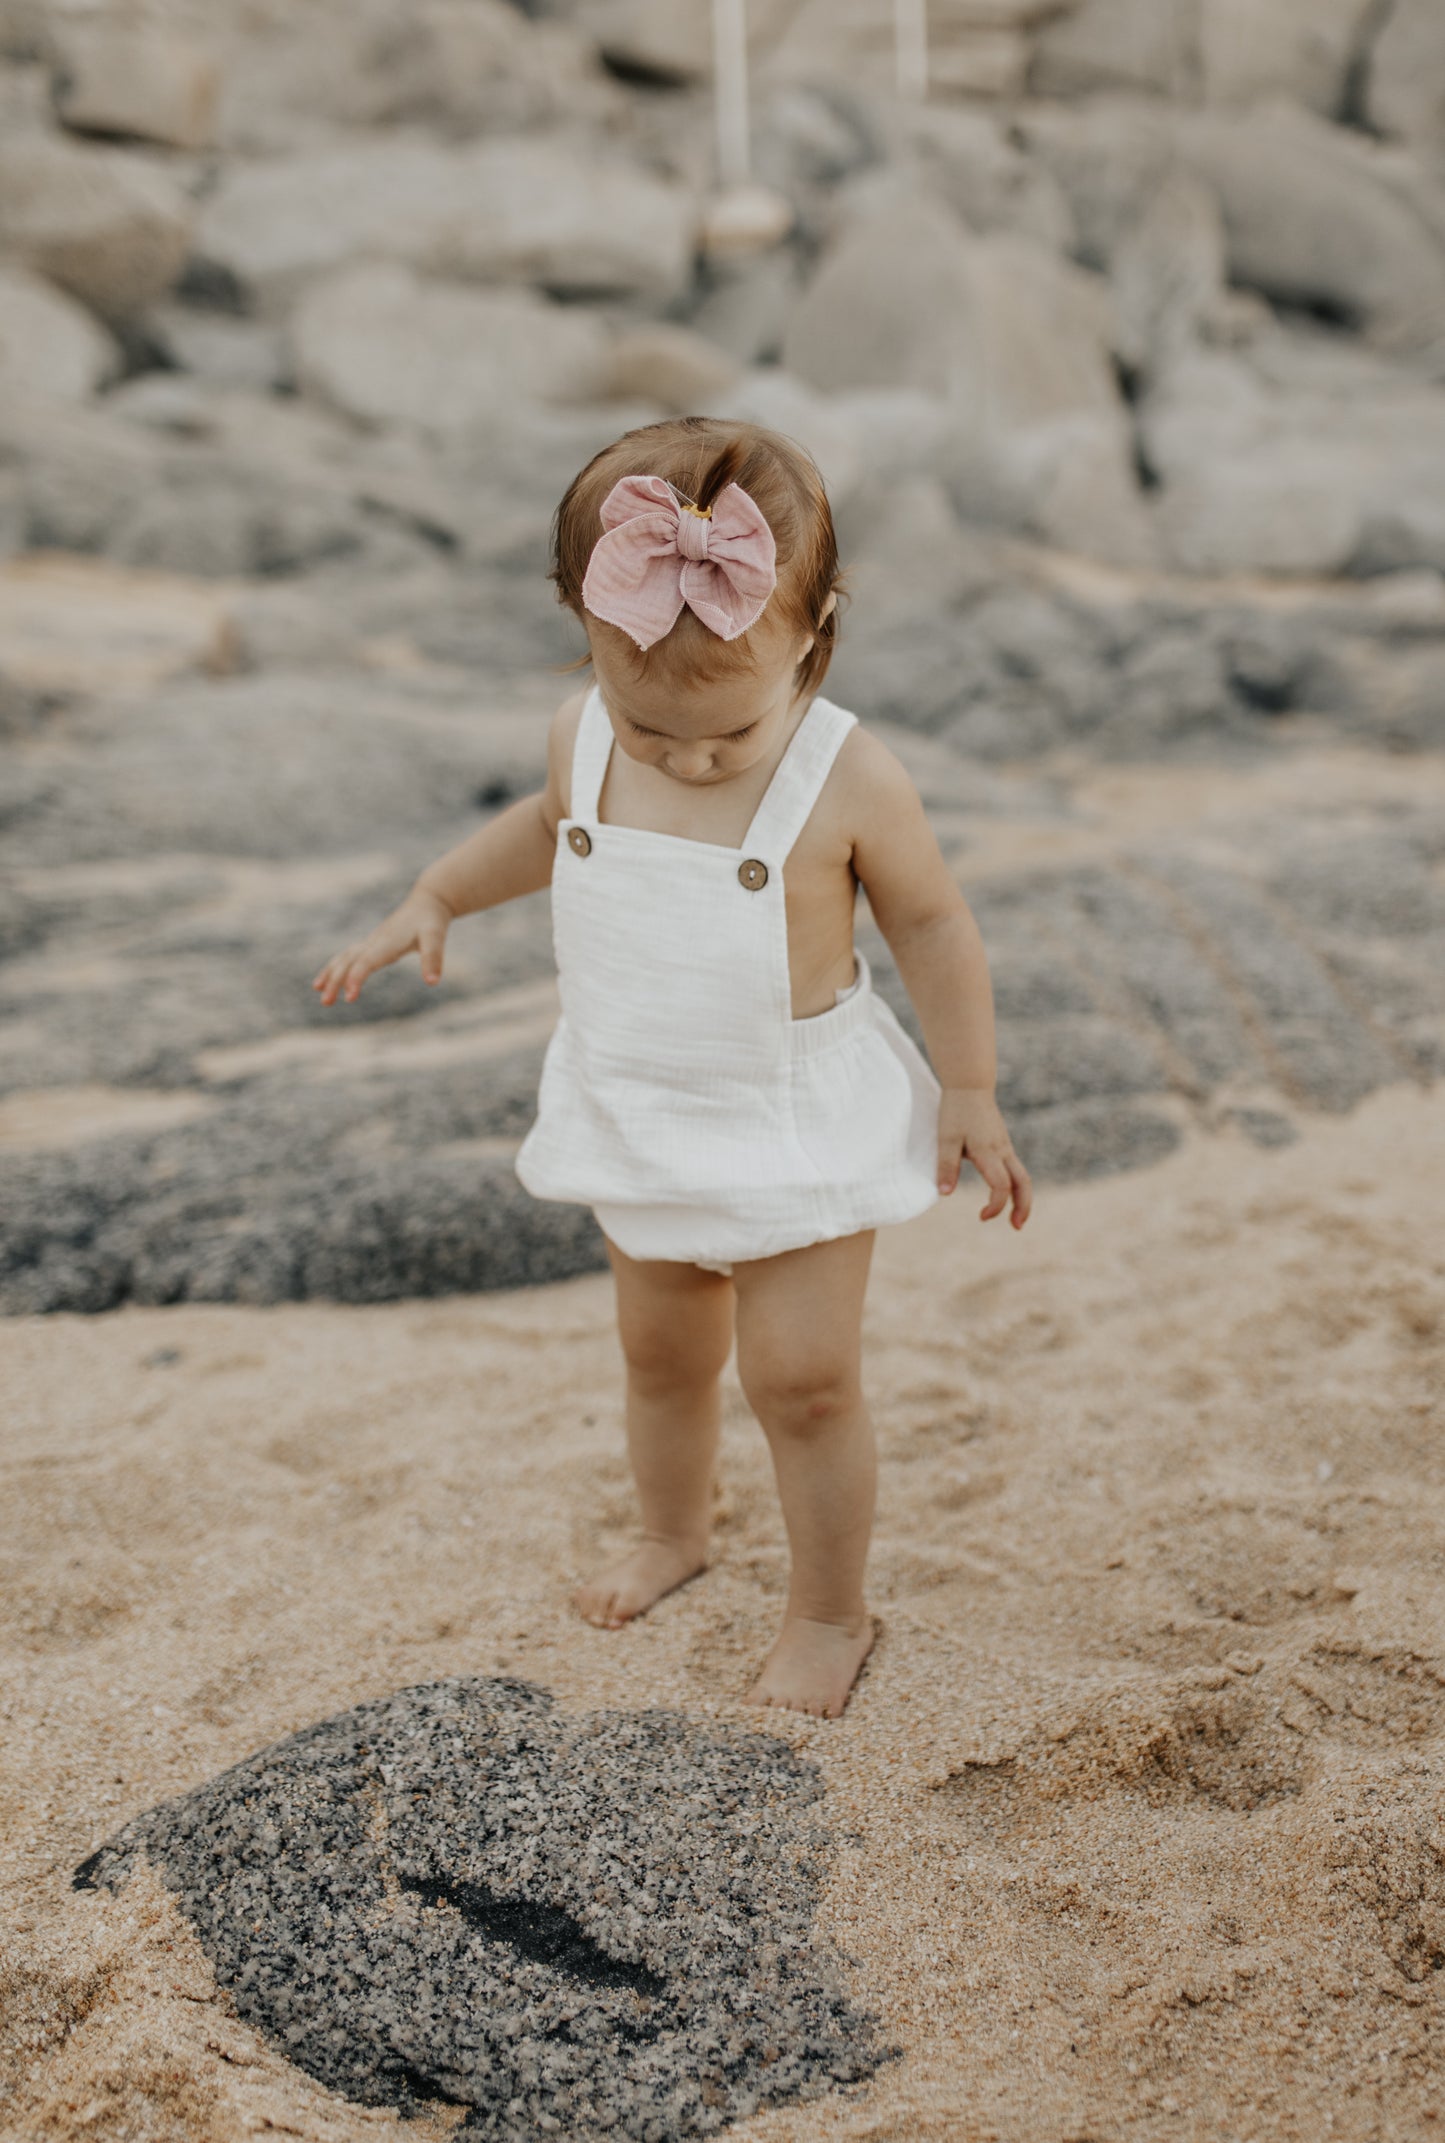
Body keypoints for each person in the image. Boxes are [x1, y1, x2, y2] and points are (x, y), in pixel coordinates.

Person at [313, 417, 1031, 1719]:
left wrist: (967, 1085)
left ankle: (827, 1611)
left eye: (724, 734)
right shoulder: (583, 733)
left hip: (793, 1117)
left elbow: (931, 922)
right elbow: (550, 829)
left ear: (811, 644)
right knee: (658, 1354)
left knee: (801, 1383)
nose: (687, 758)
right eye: (650, 730)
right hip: (638, 1097)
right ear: (585, 640)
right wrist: (435, 895)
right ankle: (670, 1530)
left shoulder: (846, 775)